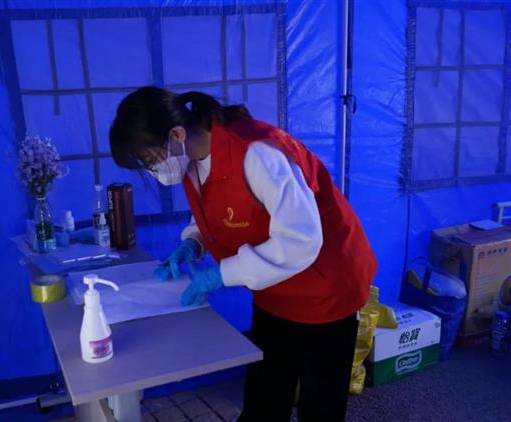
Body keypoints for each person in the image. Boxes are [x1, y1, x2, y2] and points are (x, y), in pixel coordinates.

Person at [108, 87, 377, 421]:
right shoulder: (192, 159)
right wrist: (193, 243)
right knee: (264, 398)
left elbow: (301, 240)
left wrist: (221, 274)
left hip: (326, 285)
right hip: (275, 288)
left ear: (176, 134)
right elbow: (218, 210)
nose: (154, 173)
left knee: (320, 404)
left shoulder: (258, 153)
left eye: (150, 162)